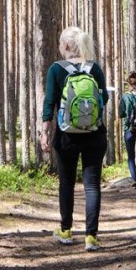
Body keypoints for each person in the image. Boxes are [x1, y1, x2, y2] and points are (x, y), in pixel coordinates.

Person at [40, 26, 109, 252]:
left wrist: (44, 132)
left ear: (67, 46)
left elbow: (49, 102)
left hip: (66, 135)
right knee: (91, 185)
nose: (60, 47)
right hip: (94, 134)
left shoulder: (56, 70)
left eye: (61, 43)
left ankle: (66, 231)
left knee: (67, 182)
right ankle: (91, 236)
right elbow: (104, 98)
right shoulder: (94, 68)